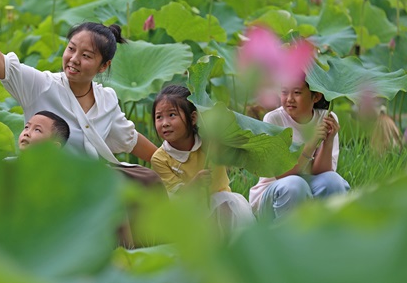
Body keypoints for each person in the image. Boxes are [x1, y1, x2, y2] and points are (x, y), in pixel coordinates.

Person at [0, 13, 157, 162]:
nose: (74, 59)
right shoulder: (41, 85)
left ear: (104, 66)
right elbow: (0, 63)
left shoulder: (107, 100)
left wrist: (172, 166)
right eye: (71, 49)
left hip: (85, 198)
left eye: (86, 56)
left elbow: (130, 139)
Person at [150, 85, 255, 234]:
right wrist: (196, 183)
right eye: (159, 117)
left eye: (172, 115)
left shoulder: (210, 142)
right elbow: (178, 196)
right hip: (189, 214)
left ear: (193, 118)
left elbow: (236, 154)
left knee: (226, 201)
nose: (165, 123)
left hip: (225, 207)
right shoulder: (160, 158)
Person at [248, 79, 350, 221]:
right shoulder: (273, 119)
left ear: (316, 96)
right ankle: (287, 237)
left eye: (297, 92)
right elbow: (282, 174)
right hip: (273, 195)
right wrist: (311, 143)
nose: (289, 99)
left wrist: (328, 141)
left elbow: (323, 173)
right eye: (284, 92)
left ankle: (328, 233)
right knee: (295, 184)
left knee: (334, 181)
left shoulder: (327, 118)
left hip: (309, 188)